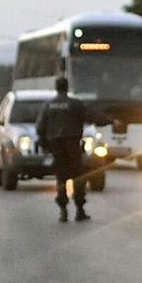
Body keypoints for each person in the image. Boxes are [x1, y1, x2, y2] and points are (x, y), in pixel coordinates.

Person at [35, 77, 105, 222]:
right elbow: (93, 116)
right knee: (78, 178)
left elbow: (40, 127)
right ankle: (79, 210)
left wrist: (44, 145)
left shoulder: (48, 106)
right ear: (67, 87)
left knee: (61, 178)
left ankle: (63, 211)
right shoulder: (75, 104)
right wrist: (111, 120)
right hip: (73, 146)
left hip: (56, 147)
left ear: (56, 87)